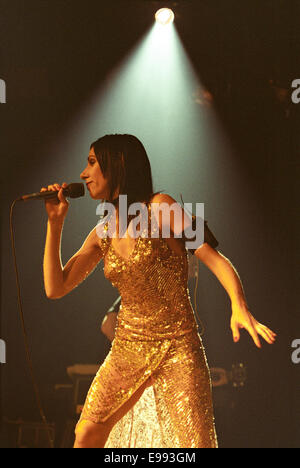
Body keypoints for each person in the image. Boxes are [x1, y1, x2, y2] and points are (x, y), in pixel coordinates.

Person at [41, 134, 276, 449]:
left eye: (92, 162)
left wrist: (239, 304)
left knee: (195, 446)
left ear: (119, 165)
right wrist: (54, 226)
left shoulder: (161, 208)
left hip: (177, 346)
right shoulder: (103, 232)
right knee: (86, 435)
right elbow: (55, 288)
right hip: (128, 348)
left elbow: (213, 259)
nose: (83, 174)